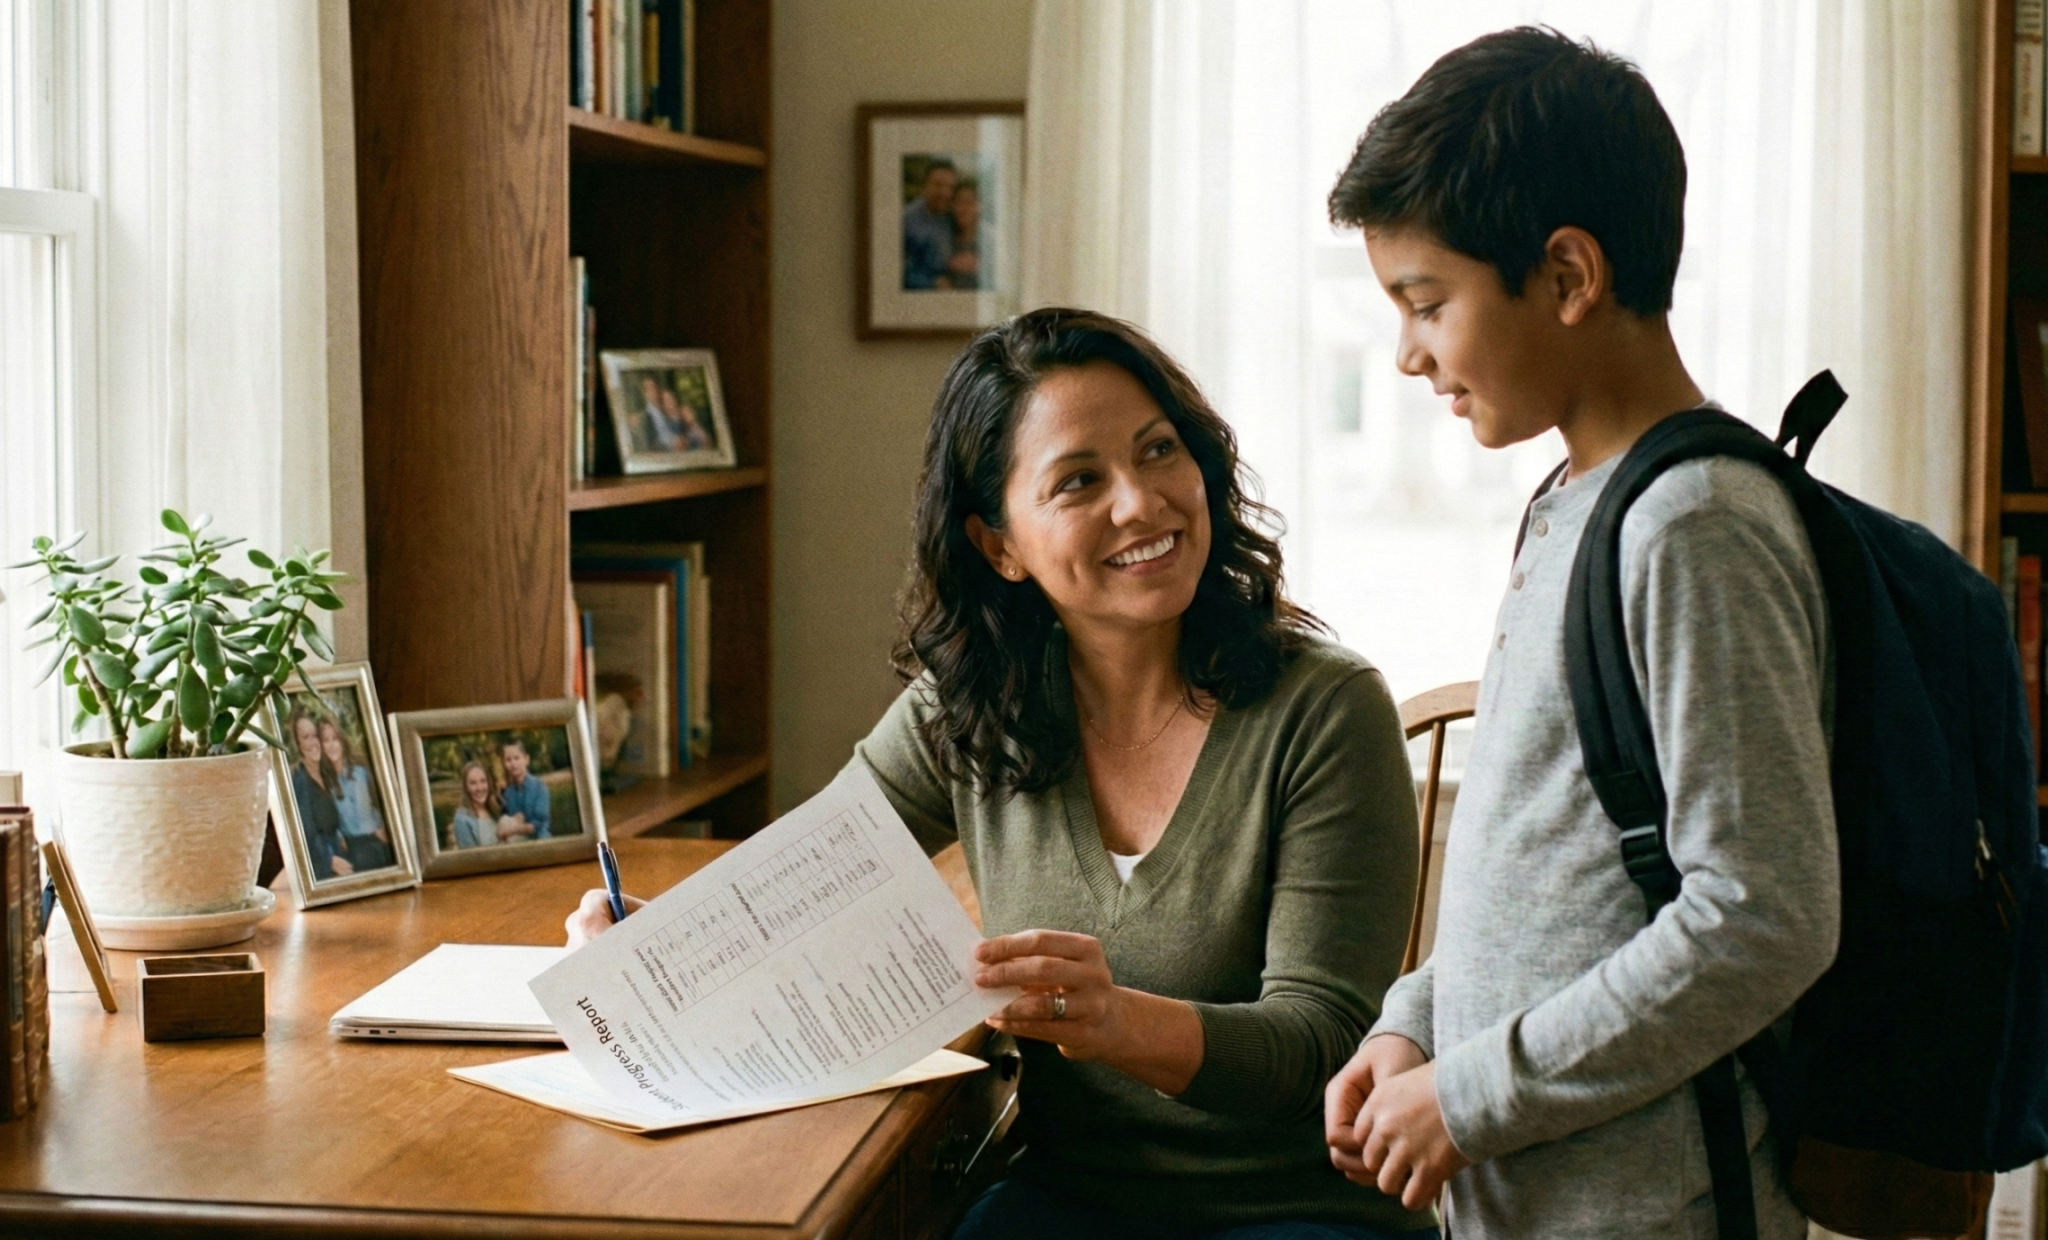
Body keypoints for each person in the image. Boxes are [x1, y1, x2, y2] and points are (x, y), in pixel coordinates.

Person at [569, 308, 1437, 1240]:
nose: (1142, 503)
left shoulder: (1327, 710)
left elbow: (1320, 1044)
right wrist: (651, 954)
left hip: (1296, 1210)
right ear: (1000, 547)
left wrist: (1116, 1020)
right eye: (1079, 481)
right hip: (1072, 1199)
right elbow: (795, 902)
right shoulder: (970, 710)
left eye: (1158, 452)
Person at [1319, 29, 1836, 1240]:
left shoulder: (1695, 525)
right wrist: (1416, 1019)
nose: (1405, 355)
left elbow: (1762, 913)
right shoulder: (1573, 504)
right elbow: (1552, 869)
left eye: (1426, 303)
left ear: (1564, 277)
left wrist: (1472, 1092)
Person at [321, 717, 395, 871]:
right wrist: (339, 835)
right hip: (350, 847)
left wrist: (380, 826)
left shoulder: (360, 772)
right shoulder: (325, 779)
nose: (331, 745)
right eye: (326, 740)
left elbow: (375, 804)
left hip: (373, 842)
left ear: (342, 741)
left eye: (335, 739)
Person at [288, 708, 353, 880]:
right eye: (305, 737)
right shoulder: (299, 780)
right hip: (321, 864)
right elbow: (305, 833)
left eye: (315, 735)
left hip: (338, 851)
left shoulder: (326, 772)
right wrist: (328, 860)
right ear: (298, 743)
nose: (312, 742)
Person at [902, 159, 957, 290]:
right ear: (925, 186)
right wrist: (931, 284)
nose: (944, 192)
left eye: (949, 187)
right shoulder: (906, 219)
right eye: (938, 185)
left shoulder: (957, 214)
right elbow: (893, 272)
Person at [495, 737, 550, 842]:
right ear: (504, 764)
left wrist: (511, 830)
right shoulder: (508, 793)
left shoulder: (539, 786)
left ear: (526, 759)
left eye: (517, 758)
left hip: (540, 841)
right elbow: (511, 820)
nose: (513, 763)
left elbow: (537, 824)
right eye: (508, 760)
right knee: (503, 821)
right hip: (517, 841)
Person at [449, 760, 504, 849]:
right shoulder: (462, 819)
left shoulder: (495, 809)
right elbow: (471, 858)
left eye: (483, 781)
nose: (479, 788)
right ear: (466, 787)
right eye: (473, 783)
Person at [943, 180, 983, 291]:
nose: (963, 208)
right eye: (958, 202)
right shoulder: (944, 239)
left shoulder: (993, 241)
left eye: (969, 202)